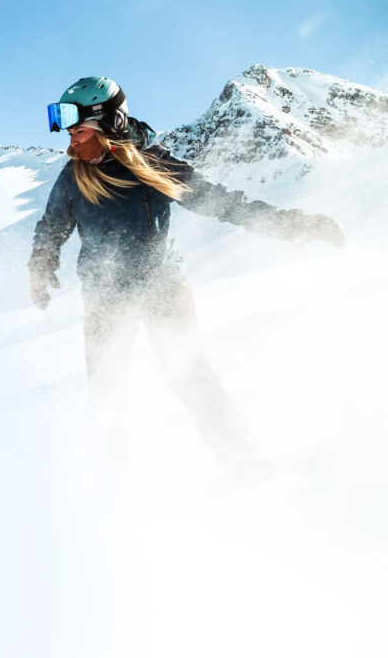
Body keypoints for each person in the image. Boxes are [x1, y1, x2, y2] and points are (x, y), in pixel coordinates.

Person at [28, 76, 344, 474]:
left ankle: (244, 463)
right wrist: (41, 264)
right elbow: (52, 226)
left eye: (79, 133)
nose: (70, 144)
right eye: (69, 135)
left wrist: (292, 226)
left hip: (162, 286)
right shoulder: (74, 175)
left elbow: (226, 204)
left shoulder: (155, 166)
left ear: (112, 127)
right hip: (105, 299)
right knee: (106, 394)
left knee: (188, 372)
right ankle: (110, 491)